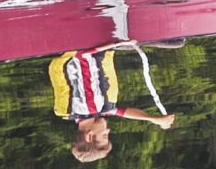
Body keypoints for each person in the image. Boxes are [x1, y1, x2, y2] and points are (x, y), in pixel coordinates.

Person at [48, 41, 177, 162]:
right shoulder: (82, 113)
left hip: (89, 46)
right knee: (176, 43)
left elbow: (83, 57)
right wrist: (153, 119)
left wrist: (118, 42)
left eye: (104, 135)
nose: (107, 131)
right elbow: (123, 112)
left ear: (89, 136)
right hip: (96, 48)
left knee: (175, 42)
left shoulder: (89, 106)